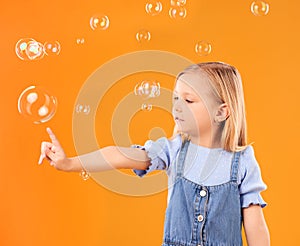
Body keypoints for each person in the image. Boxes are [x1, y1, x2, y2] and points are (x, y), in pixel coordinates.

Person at [39, 62, 270, 246]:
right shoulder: (173, 149)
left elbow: (255, 225)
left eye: (188, 100)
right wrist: (69, 162)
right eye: (176, 99)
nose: (177, 106)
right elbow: (118, 155)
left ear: (222, 112)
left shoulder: (242, 161)